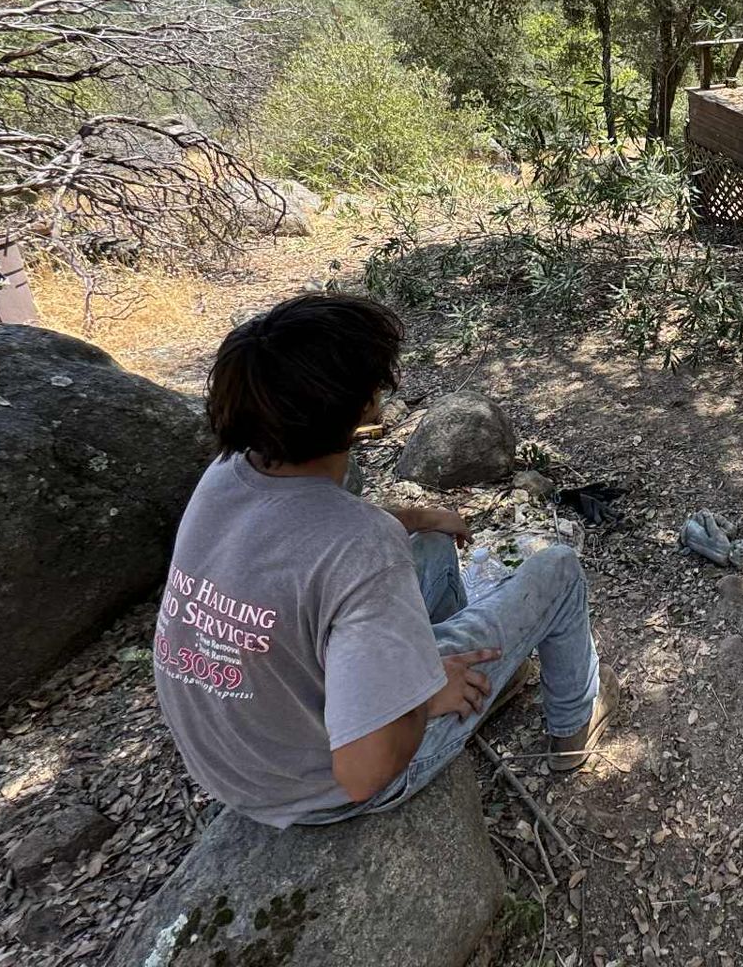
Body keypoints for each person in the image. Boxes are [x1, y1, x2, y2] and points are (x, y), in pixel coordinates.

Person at [151, 292, 617, 828]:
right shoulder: (363, 546)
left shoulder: (228, 474)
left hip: (243, 757)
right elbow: (362, 772)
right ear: (360, 405)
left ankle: (481, 685)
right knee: (556, 568)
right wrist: (422, 697)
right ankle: (572, 728)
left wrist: (419, 517)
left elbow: (306, 542)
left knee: (432, 548)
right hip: (324, 786)